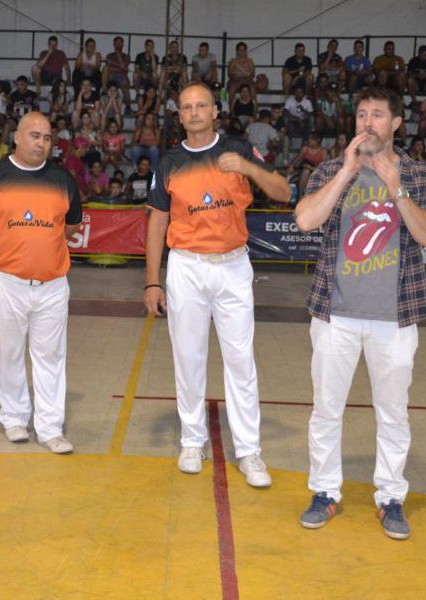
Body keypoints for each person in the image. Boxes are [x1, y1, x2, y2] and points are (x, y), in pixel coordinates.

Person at [293, 86, 426, 540]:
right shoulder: (329, 170)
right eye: (361, 114)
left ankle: (391, 497)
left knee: (393, 413)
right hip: (335, 314)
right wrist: (346, 173)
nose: (367, 123)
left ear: (396, 124)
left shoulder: (419, 175)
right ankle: (324, 491)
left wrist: (395, 188)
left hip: (394, 318)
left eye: (377, 115)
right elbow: (305, 220)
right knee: (326, 409)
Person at [144, 83, 291, 488]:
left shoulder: (240, 149)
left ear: (215, 111)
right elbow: (157, 220)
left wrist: (248, 169)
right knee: (188, 358)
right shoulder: (169, 160)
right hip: (186, 268)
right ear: (179, 115)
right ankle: (192, 440)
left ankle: (249, 451)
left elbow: (283, 192)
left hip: (232, 266)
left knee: (241, 361)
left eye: (201, 105)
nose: (194, 112)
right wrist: (152, 282)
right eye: (186, 107)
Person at [0, 111, 82, 454]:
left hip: (53, 284)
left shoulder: (63, 179)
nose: (41, 143)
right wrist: (1, 249)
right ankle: (14, 418)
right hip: (6, 282)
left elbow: (71, 226)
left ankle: (50, 427)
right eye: (34, 136)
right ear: (16, 137)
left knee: (51, 357)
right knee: (9, 351)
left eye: (47, 138)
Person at [103, 36, 132, 106]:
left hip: (122, 77)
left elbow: (124, 68)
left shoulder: (126, 56)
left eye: (120, 42)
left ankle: (128, 107)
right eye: (117, 42)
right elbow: (109, 67)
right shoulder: (109, 56)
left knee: (124, 85)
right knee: (105, 68)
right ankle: (104, 90)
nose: (118, 44)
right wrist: (120, 69)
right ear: (114, 44)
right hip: (111, 76)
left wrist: (118, 54)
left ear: (123, 44)